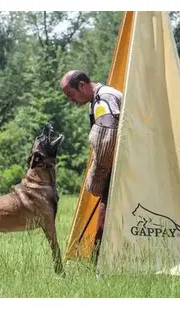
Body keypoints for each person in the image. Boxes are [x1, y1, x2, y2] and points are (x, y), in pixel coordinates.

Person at [60, 70, 123, 264]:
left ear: (82, 85)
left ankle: (99, 263)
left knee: (103, 219)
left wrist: (97, 176)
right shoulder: (97, 100)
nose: (72, 100)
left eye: (71, 95)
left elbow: (106, 141)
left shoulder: (104, 99)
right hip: (120, 165)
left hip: (120, 168)